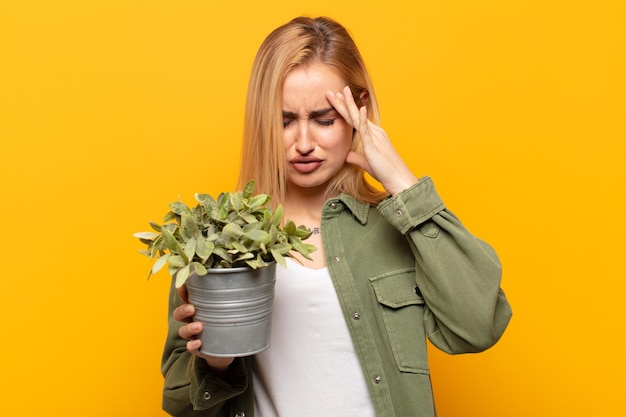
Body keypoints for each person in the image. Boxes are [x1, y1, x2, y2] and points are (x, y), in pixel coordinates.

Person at [161, 16, 512, 417]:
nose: (304, 143)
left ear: (357, 111)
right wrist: (215, 361)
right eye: (285, 121)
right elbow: (178, 403)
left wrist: (403, 183)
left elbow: (480, 325)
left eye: (324, 120)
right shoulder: (218, 238)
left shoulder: (396, 225)